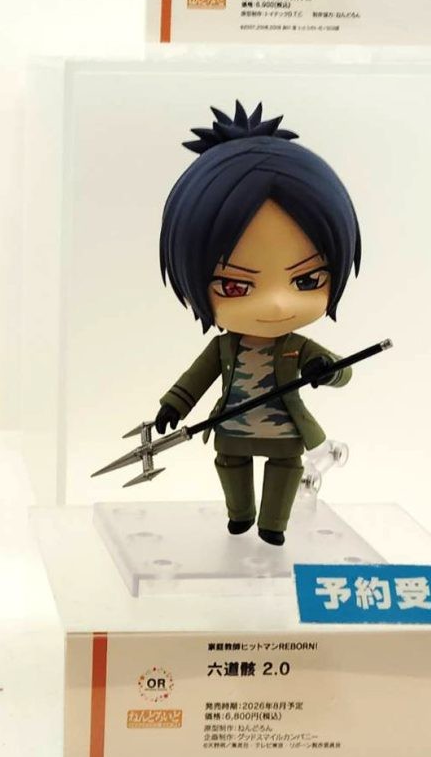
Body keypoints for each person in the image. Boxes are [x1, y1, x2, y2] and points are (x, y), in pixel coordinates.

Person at [155, 102, 361, 547]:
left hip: (286, 434)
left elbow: (342, 372)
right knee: (230, 466)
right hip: (231, 430)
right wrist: (174, 405)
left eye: (306, 280)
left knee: (285, 470)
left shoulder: (297, 347)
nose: (276, 302)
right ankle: (240, 514)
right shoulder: (224, 349)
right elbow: (196, 378)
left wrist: (325, 371)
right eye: (234, 286)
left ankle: (272, 524)